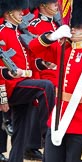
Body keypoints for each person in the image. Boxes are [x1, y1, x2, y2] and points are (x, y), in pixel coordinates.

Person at [19, 0, 82, 162]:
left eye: (79, 26)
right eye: (74, 24)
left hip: (81, 124)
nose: (73, 28)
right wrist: (52, 36)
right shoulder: (63, 50)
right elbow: (34, 47)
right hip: (57, 119)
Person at [0, 1, 55, 162]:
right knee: (46, 87)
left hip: (23, 85)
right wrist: (2, 97)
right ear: (8, 13)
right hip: (12, 86)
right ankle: (49, 133)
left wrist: (43, 64)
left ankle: (15, 159)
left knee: (21, 129)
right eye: (18, 11)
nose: (22, 13)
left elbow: (29, 61)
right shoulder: (2, 33)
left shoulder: (17, 33)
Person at [23, 0, 61, 160]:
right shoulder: (34, 25)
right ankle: (32, 146)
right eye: (52, 2)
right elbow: (30, 53)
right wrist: (40, 66)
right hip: (43, 76)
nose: (56, 5)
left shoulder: (57, 25)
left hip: (58, 76)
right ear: (42, 5)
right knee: (39, 109)